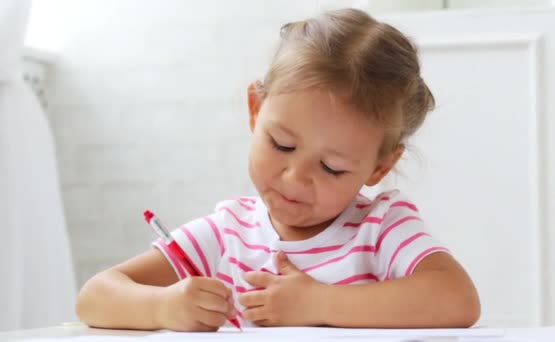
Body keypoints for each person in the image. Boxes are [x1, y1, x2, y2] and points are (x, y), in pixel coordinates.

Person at [76, 8, 480, 332]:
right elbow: (95, 296)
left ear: (380, 166)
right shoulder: (227, 233)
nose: (295, 178)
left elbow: (458, 299)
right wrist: (162, 307)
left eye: (331, 167)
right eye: (282, 145)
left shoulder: (381, 229)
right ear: (256, 109)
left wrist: (319, 303)